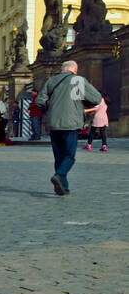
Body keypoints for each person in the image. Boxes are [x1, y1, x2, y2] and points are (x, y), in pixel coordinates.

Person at [37, 60, 102, 195]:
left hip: (54, 124)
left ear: (63, 69)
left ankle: (63, 187)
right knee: (69, 156)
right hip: (71, 123)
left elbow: (40, 101)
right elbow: (96, 98)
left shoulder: (52, 81)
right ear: (75, 70)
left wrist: (51, 108)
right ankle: (59, 175)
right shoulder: (77, 80)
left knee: (59, 156)